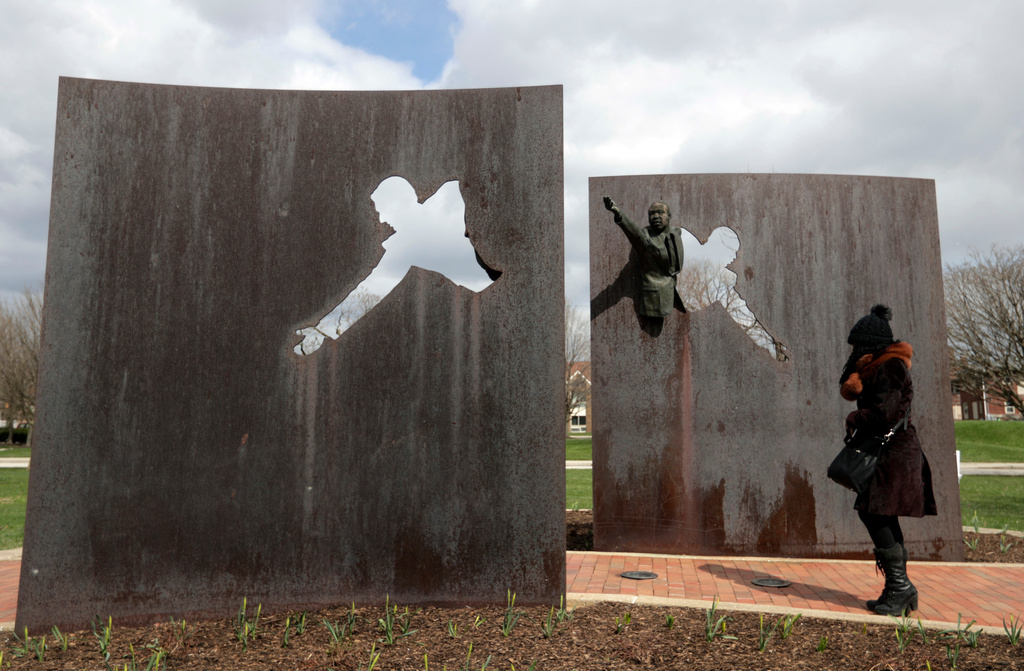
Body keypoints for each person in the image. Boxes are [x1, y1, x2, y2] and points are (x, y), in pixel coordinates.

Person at [839, 304, 936, 615]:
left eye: (859, 345)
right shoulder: (879, 366)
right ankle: (898, 589)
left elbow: (885, 414)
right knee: (878, 514)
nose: (855, 350)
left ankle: (900, 587)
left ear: (871, 343)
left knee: (875, 513)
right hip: (889, 453)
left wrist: (856, 416)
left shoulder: (891, 367)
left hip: (895, 453)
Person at [603, 197, 685, 318]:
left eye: (660, 212)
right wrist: (619, 214)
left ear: (669, 216)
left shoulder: (676, 233)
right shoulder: (645, 236)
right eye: (652, 213)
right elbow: (636, 234)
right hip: (654, 300)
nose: (656, 216)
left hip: (671, 294)